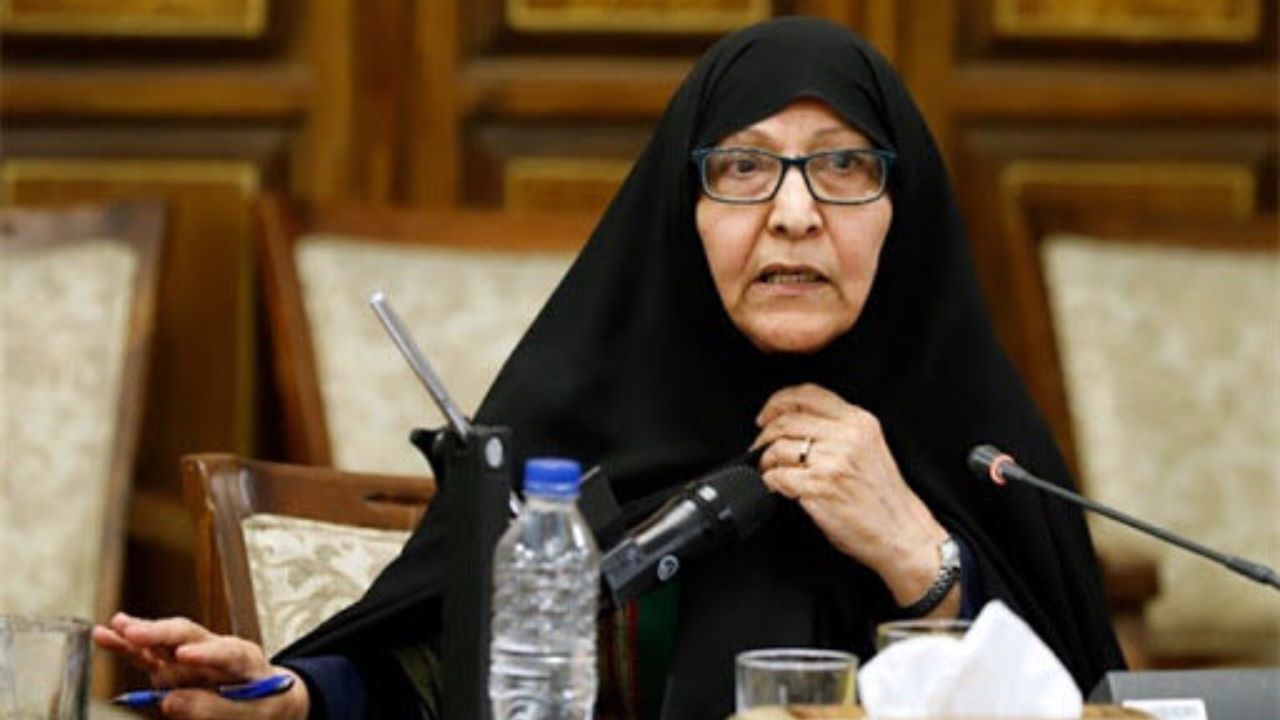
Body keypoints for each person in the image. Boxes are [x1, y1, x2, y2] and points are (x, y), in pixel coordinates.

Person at [94, 16, 1124, 719]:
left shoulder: (987, 458)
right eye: (743, 165)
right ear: (684, 211)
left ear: (904, 210)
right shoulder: (575, 431)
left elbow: (1082, 701)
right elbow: (443, 671)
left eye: (844, 164)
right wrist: (294, 698)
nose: (795, 212)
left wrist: (917, 554)